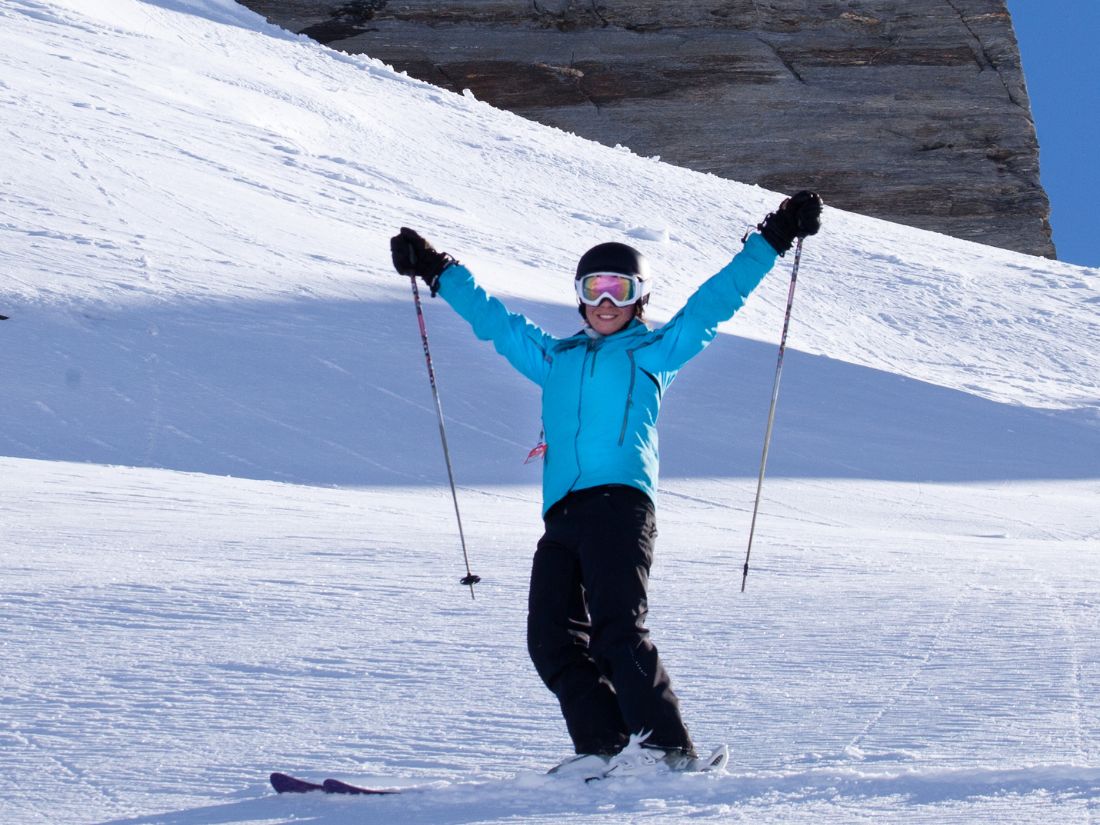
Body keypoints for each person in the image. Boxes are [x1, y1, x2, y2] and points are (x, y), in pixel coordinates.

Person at [390, 191, 823, 771]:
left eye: (618, 289)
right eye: (593, 289)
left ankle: (668, 749)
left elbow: (713, 304)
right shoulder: (555, 358)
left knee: (616, 631)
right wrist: (438, 269)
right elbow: (494, 322)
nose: (605, 301)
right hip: (562, 516)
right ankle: (606, 749)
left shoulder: (653, 353)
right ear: (579, 297)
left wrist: (775, 237)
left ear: (639, 297)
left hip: (621, 508)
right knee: (551, 641)